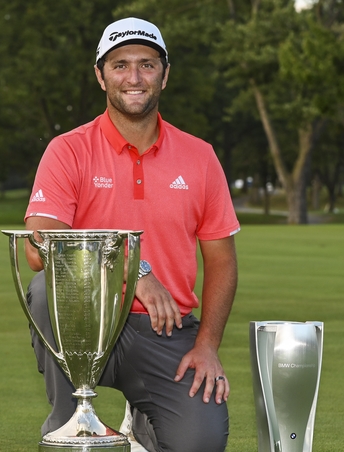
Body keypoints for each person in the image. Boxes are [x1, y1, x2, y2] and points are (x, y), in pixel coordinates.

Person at [22, 17, 239, 452]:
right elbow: (39, 242)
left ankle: (143, 419)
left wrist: (208, 346)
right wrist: (130, 269)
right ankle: (72, 423)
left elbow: (222, 261)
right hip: (91, 321)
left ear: (165, 74)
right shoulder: (69, 149)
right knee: (48, 290)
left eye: (147, 64)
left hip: (166, 327)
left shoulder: (199, 156)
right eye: (120, 65)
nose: (134, 78)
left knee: (200, 443)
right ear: (100, 76)